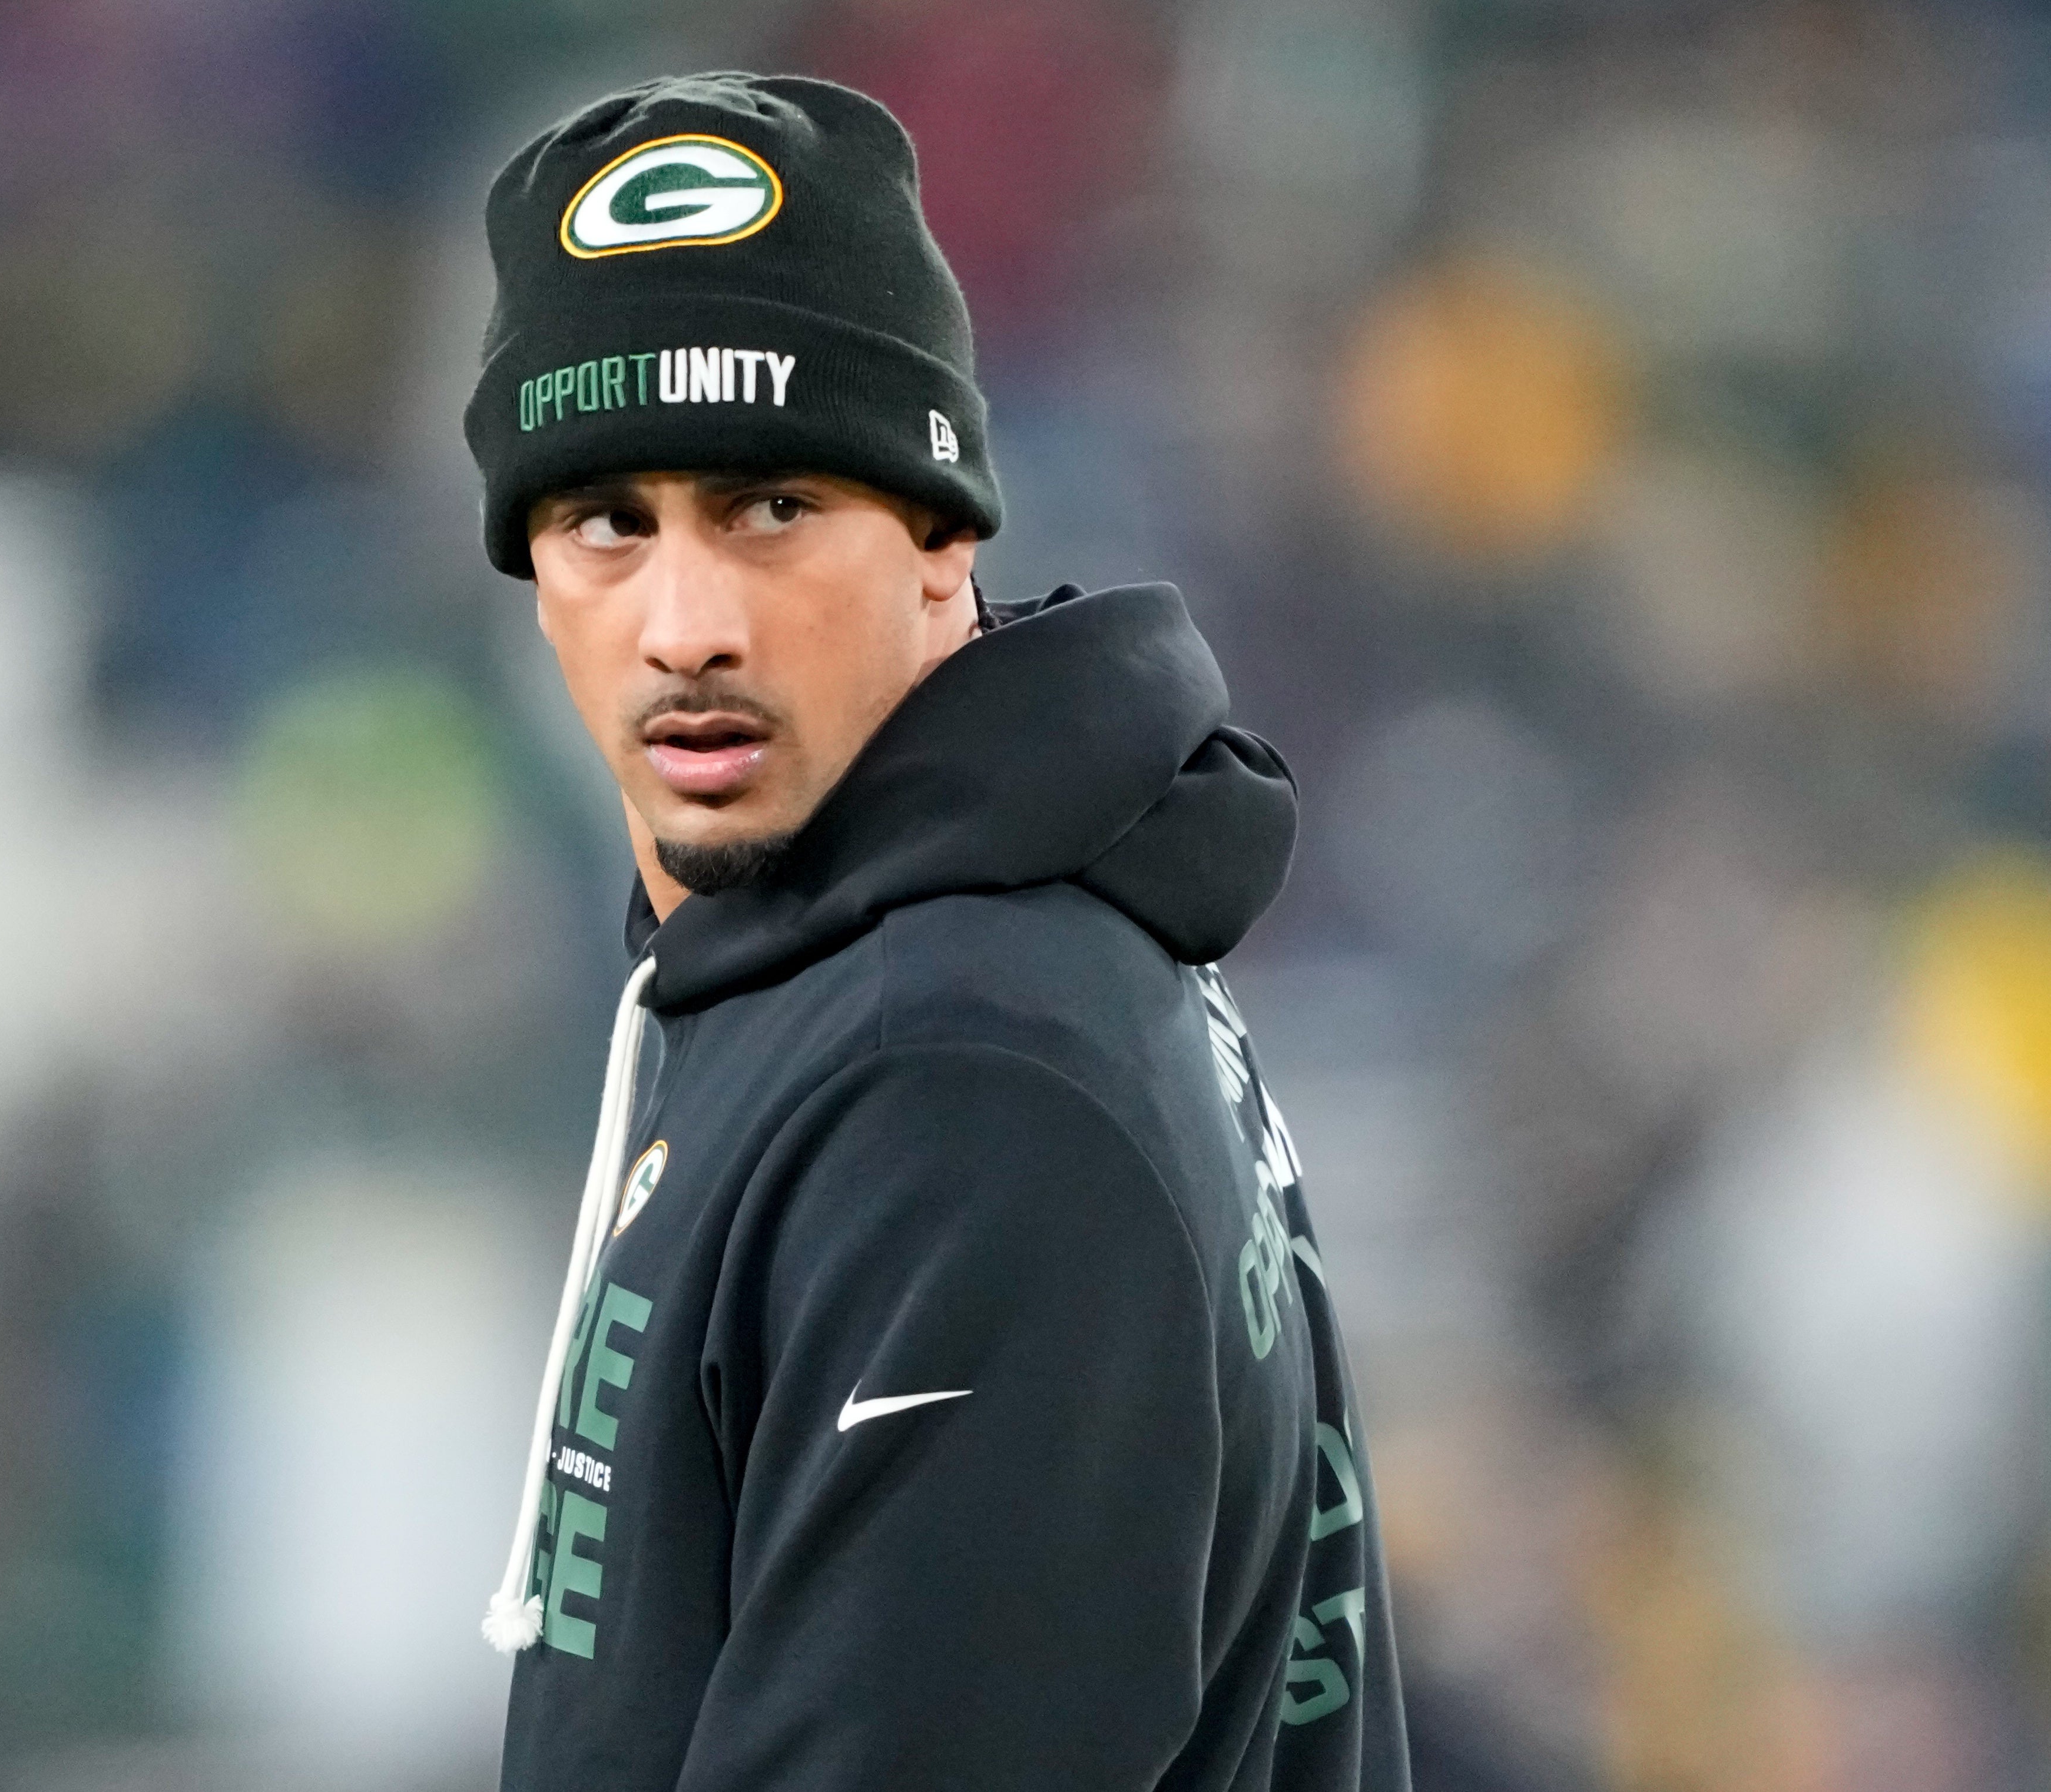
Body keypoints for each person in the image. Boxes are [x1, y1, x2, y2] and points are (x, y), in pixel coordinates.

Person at [465, 72, 1408, 1791]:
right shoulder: (851, 971)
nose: (686, 622)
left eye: (770, 509)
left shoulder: (966, 1078)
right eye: (610, 522)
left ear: (940, 535)